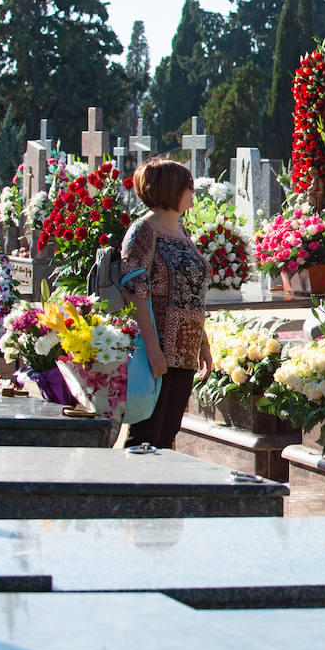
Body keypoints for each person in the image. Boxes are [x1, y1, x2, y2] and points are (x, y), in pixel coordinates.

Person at [120, 158, 211, 449]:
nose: (193, 191)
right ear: (172, 189)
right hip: (157, 345)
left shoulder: (182, 233)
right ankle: (130, 492)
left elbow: (193, 292)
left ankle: (159, 492)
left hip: (184, 347)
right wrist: (153, 349)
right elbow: (134, 291)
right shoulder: (144, 231)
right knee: (145, 434)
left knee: (168, 432)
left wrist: (203, 343)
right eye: (188, 186)